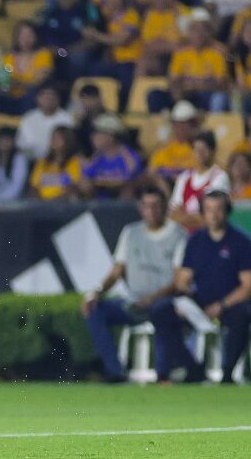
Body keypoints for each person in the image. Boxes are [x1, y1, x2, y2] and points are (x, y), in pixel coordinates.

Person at [81, 187, 185, 382]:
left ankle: (162, 373)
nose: (152, 211)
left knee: (162, 311)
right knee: (95, 310)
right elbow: (117, 271)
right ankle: (115, 371)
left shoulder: (178, 235)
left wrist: (153, 298)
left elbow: (179, 279)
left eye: (156, 206)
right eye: (147, 206)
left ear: (165, 207)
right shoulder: (131, 233)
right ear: (140, 208)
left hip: (164, 302)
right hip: (133, 302)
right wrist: (96, 293)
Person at [149, 191, 251, 383]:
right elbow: (184, 279)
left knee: (242, 314)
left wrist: (222, 305)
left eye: (218, 209)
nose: (214, 215)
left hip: (229, 303)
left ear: (227, 211)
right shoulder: (196, 241)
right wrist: (186, 298)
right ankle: (191, 367)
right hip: (200, 303)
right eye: (209, 210)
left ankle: (227, 373)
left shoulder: (241, 242)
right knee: (161, 311)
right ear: (203, 213)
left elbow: (247, 286)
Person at [169, 131, 230, 230]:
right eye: (197, 149)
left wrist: (183, 217)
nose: (200, 154)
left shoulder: (220, 177)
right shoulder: (184, 177)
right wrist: (196, 218)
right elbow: (172, 214)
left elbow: (213, 217)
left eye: (204, 150)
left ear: (213, 151)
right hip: (184, 234)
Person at [82, 114, 141, 199]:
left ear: (111, 136)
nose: (93, 137)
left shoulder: (128, 156)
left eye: (97, 133)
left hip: (122, 202)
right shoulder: (96, 157)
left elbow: (129, 179)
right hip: (98, 201)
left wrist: (104, 182)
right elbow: (85, 178)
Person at [16, 84, 74, 162]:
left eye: (52, 97)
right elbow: (21, 144)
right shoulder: (29, 117)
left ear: (58, 99)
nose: (49, 100)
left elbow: (69, 145)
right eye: (45, 97)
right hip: (32, 161)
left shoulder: (67, 119)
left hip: (58, 160)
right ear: (38, 99)